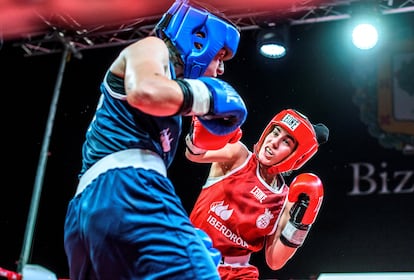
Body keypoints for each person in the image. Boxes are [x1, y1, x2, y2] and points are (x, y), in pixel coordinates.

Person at [63, 1, 248, 279]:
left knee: (202, 250)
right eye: (219, 57)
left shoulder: (170, 95)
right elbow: (146, 91)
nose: (221, 70)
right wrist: (208, 97)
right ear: (199, 40)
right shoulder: (152, 48)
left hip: (86, 214)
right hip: (129, 191)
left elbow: (195, 150)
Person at [185, 109, 329, 279]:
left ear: (296, 155)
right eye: (275, 132)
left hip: (238, 273)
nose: (274, 142)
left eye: (286, 142)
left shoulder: (284, 198)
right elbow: (194, 154)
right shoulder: (238, 156)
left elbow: (275, 260)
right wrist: (203, 124)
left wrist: (301, 224)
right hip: (192, 258)